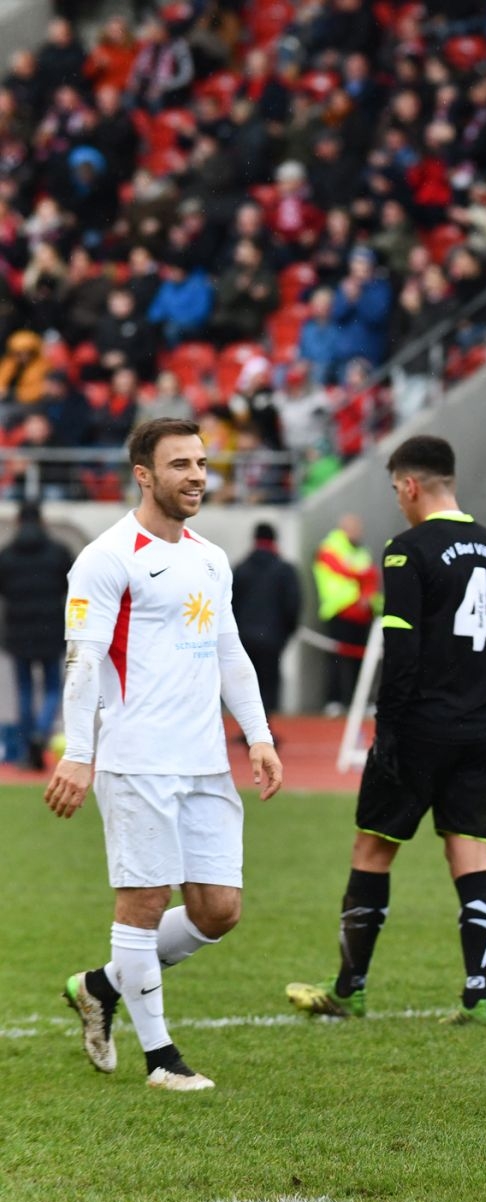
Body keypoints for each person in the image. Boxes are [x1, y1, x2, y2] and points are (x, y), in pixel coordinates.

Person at [47, 418, 283, 1092]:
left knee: (219, 910)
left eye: (202, 463)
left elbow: (230, 652)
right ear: (144, 475)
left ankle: (99, 986)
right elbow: (83, 660)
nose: (197, 476)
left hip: (205, 760)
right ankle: (161, 1059)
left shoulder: (211, 558)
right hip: (137, 758)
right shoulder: (107, 557)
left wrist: (259, 735)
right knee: (144, 900)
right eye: (180, 464)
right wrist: (79, 753)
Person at [285, 436, 486, 1025]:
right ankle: (479, 996)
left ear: (410, 486)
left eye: (395, 490)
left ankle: (350, 989)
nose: (398, 500)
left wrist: (386, 731)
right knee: (469, 852)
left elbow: (402, 651)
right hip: (481, 726)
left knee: (372, 849)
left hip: (418, 728)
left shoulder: (406, 550)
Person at [0, 500, 72, 769]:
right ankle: (41, 735)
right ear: (42, 521)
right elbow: (71, 587)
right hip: (51, 631)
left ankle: (26, 744)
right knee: (53, 688)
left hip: (18, 633)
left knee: (25, 690)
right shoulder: (59, 552)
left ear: (18, 522)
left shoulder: (6, 555)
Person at [229, 522, 301, 725]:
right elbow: (293, 605)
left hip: (244, 636)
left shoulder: (241, 568)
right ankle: (264, 728)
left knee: (246, 683)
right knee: (268, 684)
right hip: (272, 637)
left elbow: (230, 604)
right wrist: (287, 633)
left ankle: (248, 728)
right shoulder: (285, 569)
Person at [312, 513, 380, 715]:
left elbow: (373, 577)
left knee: (361, 661)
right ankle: (334, 700)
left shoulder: (362, 550)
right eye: (353, 528)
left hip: (362, 614)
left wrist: (366, 594)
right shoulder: (330, 547)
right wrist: (364, 576)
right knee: (336, 659)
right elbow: (349, 571)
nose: (358, 532)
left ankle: (359, 701)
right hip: (339, 611)